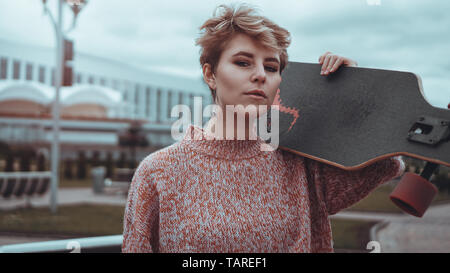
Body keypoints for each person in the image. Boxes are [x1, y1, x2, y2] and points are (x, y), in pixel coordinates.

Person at [122, 4, 404, 253]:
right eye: (243, 62)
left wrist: (354, 90)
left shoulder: (301, 167)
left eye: (271, 67)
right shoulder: (158, 172)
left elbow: (386, 162)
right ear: (210, 74)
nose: (260, 75)